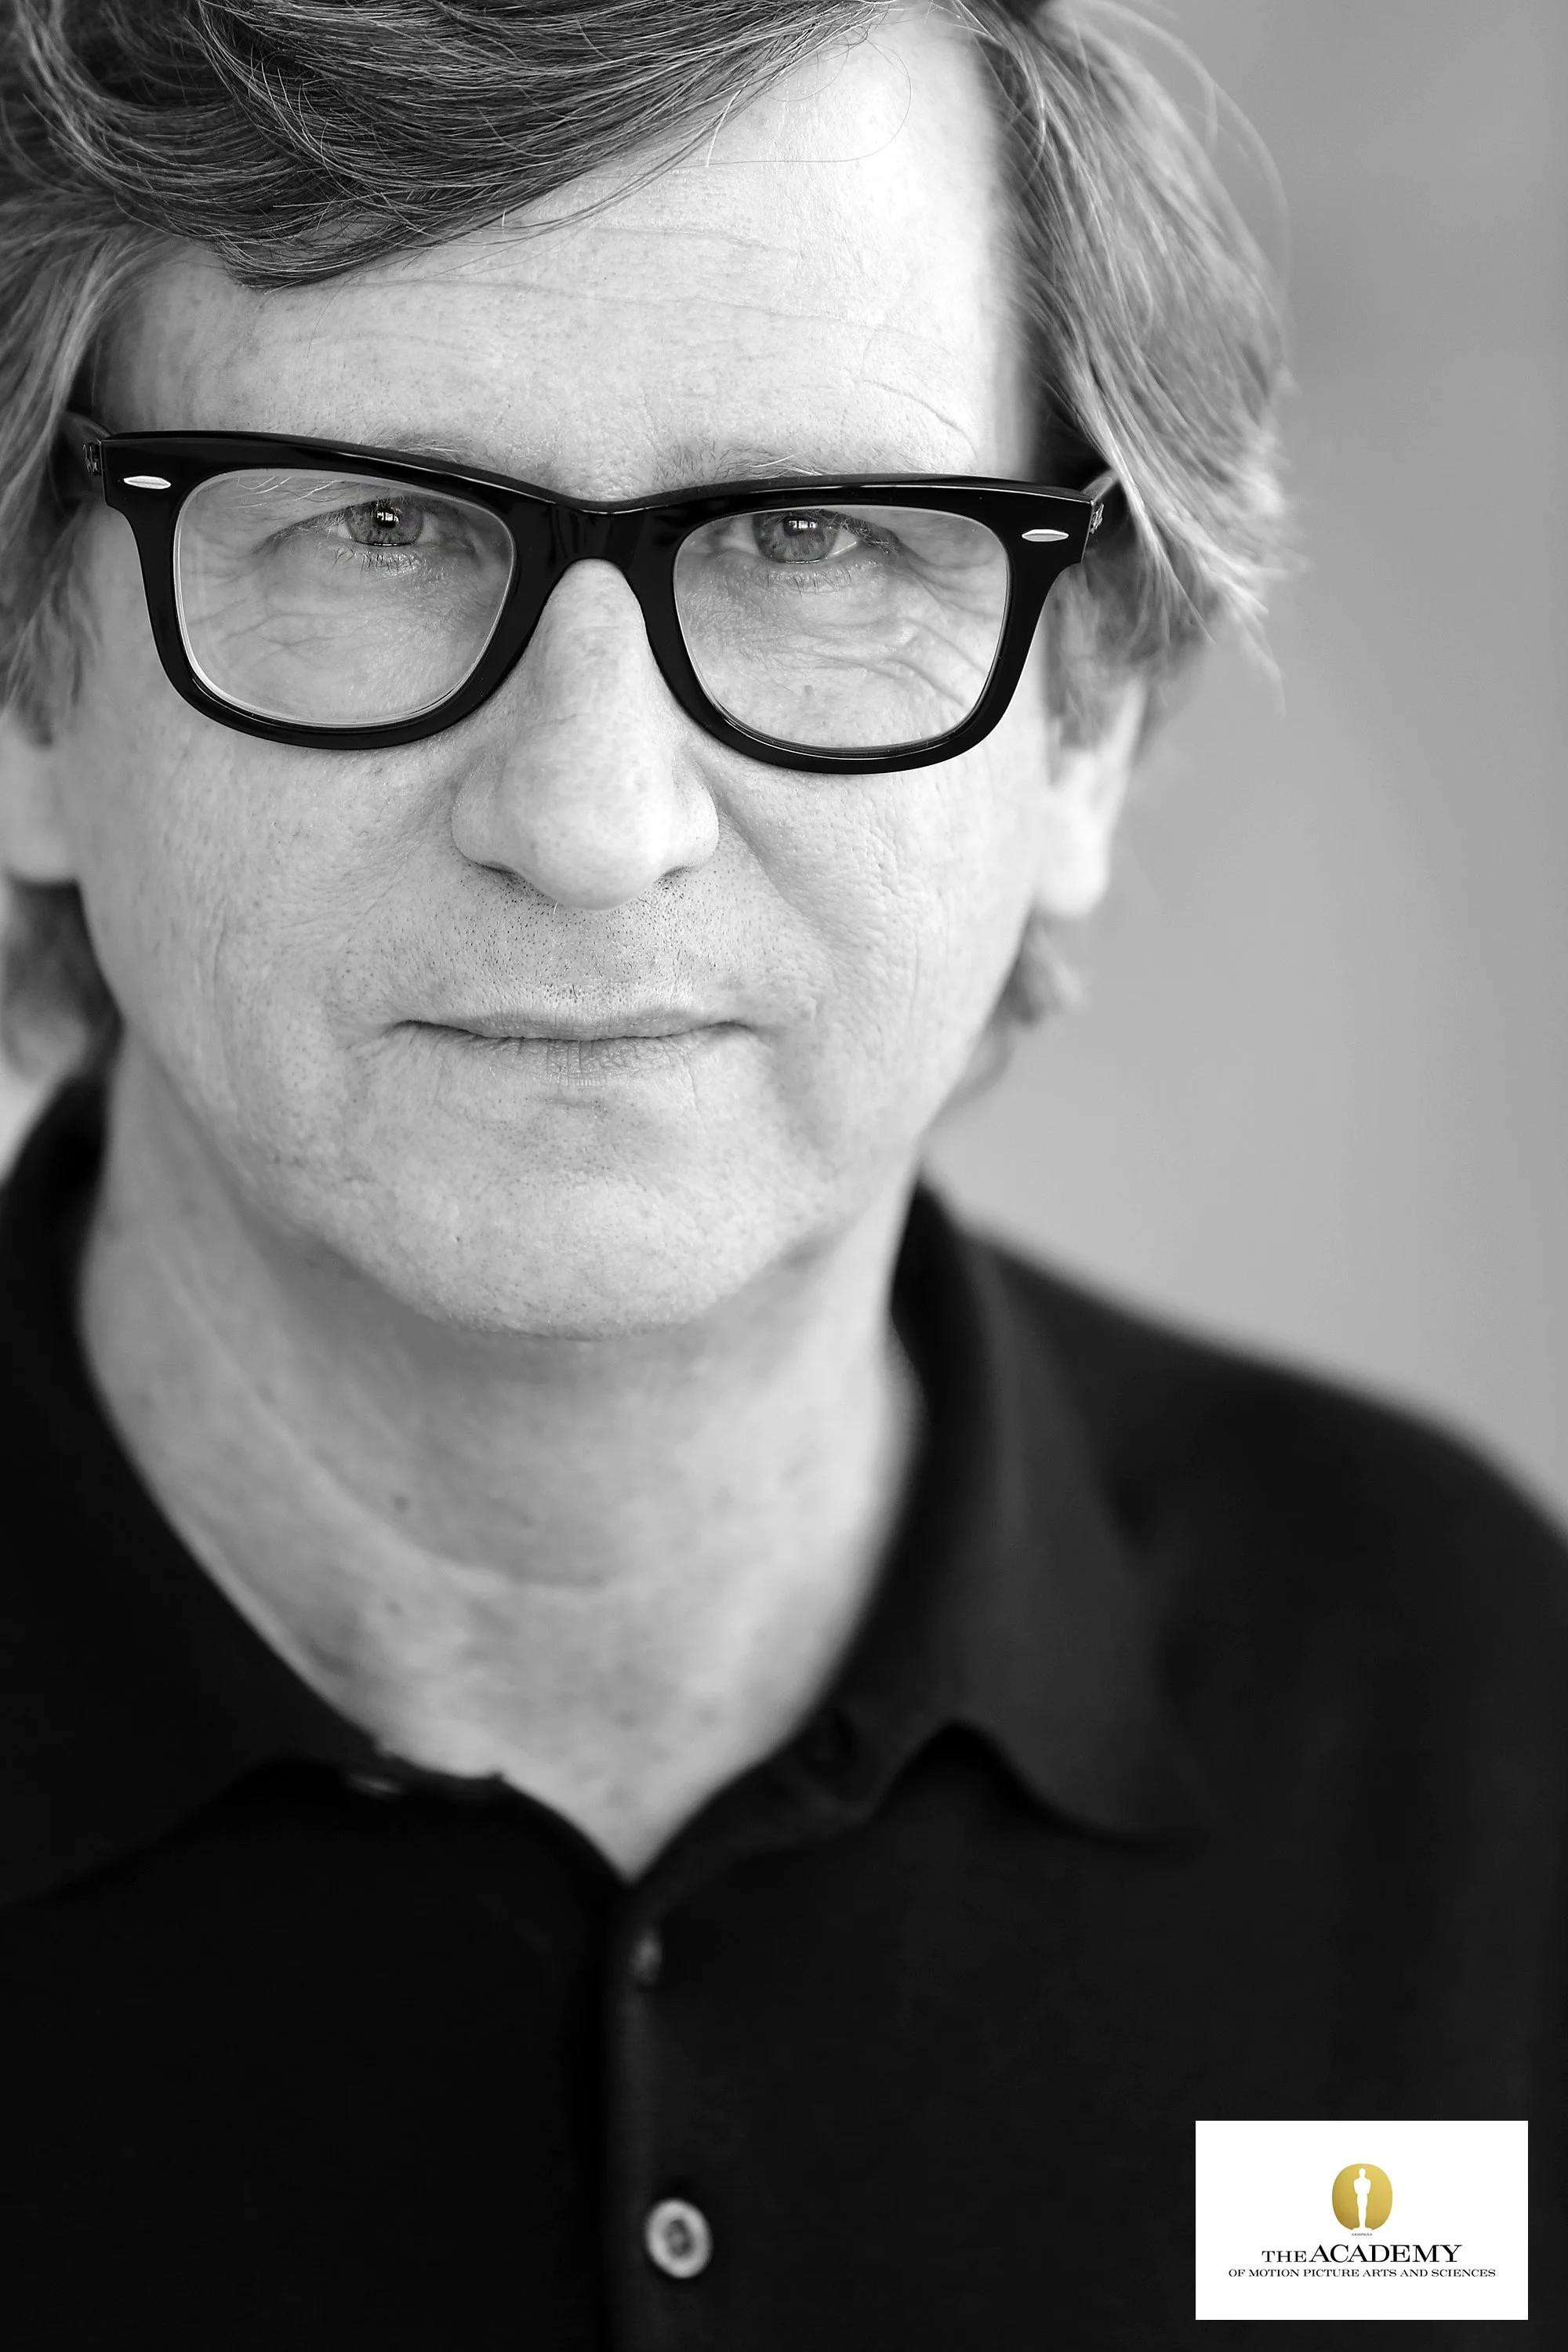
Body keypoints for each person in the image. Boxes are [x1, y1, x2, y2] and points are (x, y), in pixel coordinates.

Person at [0, 2, 1562, 2343]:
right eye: (379, 525)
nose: (594, 819)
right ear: (28, 693)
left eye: (821, 538)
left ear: (1090, 736)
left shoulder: (1465, 1720)